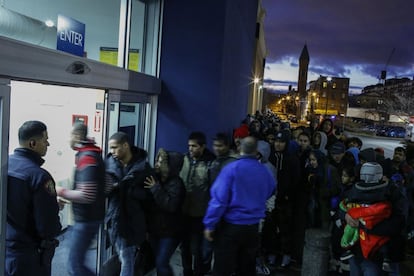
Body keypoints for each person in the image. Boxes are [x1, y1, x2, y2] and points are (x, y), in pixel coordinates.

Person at [203, 136, 276, 275]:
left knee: (222, 269)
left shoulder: (231, 169)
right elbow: (271, 190)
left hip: (231, 227)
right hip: (253, 228)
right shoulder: (264, 171)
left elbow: (219, 200)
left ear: (240, 149)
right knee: (246, 269)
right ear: (256, 151)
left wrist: (210, 224)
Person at [5, 120, 62, 276]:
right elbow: (47, 227)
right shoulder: (40, 177)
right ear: (32, 143)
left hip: (6, 249)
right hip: (29, 256)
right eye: (45, 140)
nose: (48, 144)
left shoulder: (6, 165)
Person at [55, 122, 106, 275]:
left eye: (70, 135)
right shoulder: (93, 153)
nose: (69, 139)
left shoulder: (87, 157)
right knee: (76, 263)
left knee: (74, 266)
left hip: (86, 220)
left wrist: (59, 191)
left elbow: (87, 195)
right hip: (90, 217)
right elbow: (107, 184)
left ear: (77, 135)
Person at [105, 131, 154, 276]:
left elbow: (150, 198)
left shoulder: (143, 169)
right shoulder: (109, 166)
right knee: (123, 257)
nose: (111, 151)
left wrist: (130, 191)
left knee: (127, 259)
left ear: (125, 146)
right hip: (114, 220)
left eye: (114, 147)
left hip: (133, 222)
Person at [339, 163, 392, 268]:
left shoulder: (391, 192)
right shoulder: (354, 190)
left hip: (373, 252)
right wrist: (345, 216)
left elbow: (397, 223)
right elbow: (342, 208)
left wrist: (364, 224)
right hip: (359, 247)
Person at [144, 148, 186, 276]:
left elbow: (170, 205)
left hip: (170, 232)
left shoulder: (177, 184)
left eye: (161, 162)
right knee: (159, 262)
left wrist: (155, 188)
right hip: (155, 230)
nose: (157, 164)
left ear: (170, 166)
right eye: (157, 161)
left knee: (161, 263)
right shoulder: (155, 178)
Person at [179, 131, 215, 276]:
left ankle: (199, 273)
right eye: (189, 146)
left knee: (197, 249)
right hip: (184, 212)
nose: (191, 149)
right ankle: (187, 272)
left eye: (194, 146)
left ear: (203, 146)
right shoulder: (185, 159)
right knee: (184, 248)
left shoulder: (210, 163)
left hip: (200, 214)